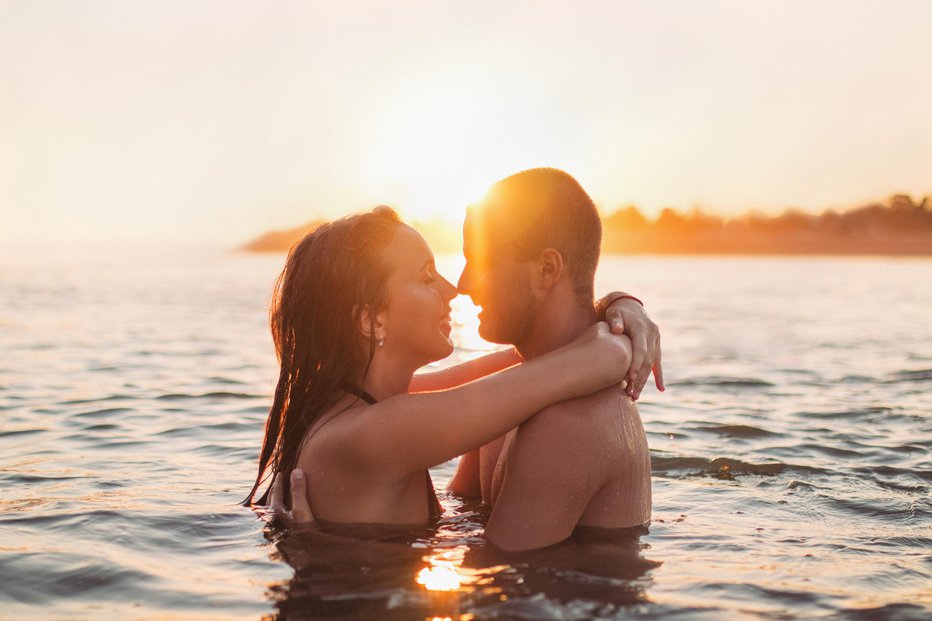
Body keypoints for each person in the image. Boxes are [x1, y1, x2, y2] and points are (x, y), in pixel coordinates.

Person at [279, 169, 661, 551]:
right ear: (370, 319)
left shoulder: (548, 418)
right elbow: (487, 590)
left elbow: (467, 535)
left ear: (547, 269)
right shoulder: (382, 427)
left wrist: (615, 307)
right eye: (428, 277)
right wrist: (614, 345)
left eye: (479, 260)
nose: (457, 286)